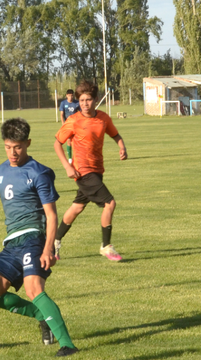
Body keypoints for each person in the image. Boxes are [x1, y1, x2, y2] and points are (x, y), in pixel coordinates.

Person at [0, 117, 78, 357]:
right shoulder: (1, 170)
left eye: (18, 147)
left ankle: (68, 345)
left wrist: (48, 249)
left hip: (34, 238)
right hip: (11, 242)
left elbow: (52, 215)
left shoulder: (40, 173)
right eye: (8, 147)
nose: (12, 152)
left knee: (34, 289)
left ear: (28, 143)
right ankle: (43, 317)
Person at [53, 81, 128, 262]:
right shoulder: (73, 121)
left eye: (88, 100)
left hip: (97, 169)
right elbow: (57, 143)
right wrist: (67, 166)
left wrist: (122, 147)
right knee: (110, 203)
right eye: (82, 100)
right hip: (82, 171)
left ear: (95, 100)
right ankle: (106, 246)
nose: (85, 104)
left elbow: (115, 134)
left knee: (77, 207)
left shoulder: (103, 118)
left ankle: (53, 242)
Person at [58, 89, 80, 163]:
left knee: (76, 141)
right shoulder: (63, 103)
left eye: (72, 95)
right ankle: (70, 158)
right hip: (68, 125)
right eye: (69, 95)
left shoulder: (77, 103)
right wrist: (63, 123)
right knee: (69, 141)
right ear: (66, 95)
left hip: (76, 125)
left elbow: (80, 113)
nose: (70, 97)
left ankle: (77, 157)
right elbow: (61, 114)